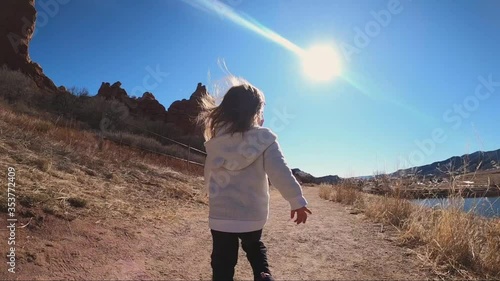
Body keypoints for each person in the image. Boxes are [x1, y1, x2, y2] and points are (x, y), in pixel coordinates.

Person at [197, 78, 312, 281]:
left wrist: (209, 193)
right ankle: (263, 275)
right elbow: (281, 172)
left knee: (222, 260)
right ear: (255, 113)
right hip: (252, 215)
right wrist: (297, 201)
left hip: (221, 216)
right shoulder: (264, 139)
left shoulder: (216, 142)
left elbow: (210, 173)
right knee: (254, 248)